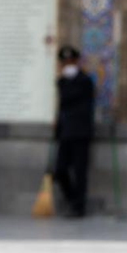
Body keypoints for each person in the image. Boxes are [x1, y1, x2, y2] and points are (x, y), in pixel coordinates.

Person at [54, 45, 95, 218]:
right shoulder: (62, 81)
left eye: (70, 61)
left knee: (80, 171)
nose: (67, 64)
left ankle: (79, 207)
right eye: (65, 61)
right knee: (59, 170)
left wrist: (68, 81)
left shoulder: (84, 81)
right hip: (65, 133)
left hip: (80, 132)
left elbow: (74, 101)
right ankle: (72, 200)